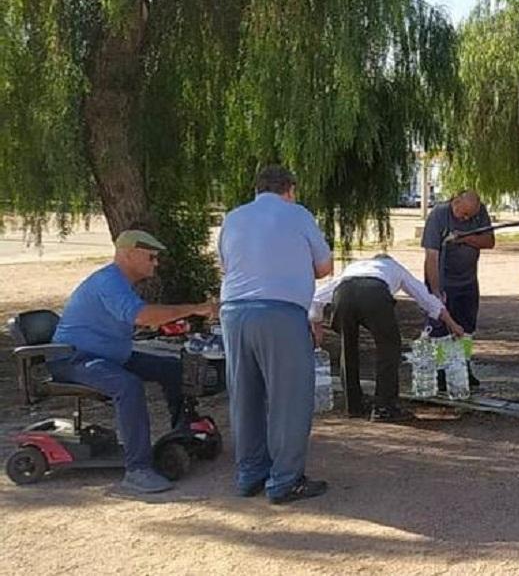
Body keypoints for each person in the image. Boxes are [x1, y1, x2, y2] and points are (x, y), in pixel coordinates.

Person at [49, 230, 214, 494]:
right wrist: (194, 308)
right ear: (128, 254)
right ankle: (138, 470)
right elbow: (143, 316)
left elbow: (138, 320)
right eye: (151, 257)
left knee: (172, 367)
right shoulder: (108, 282)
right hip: (74, 357)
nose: (155, 263)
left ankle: (183, 433)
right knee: (127, 386)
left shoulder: (120, 283)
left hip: (110, 354)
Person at [219, 165, 334, 504]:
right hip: (281, 312)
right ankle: (285, 480)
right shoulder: (297, 214)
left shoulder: (233, 217)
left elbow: (227, 264)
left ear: (257, 189)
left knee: (245, 395)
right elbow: (325, 266)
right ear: (289, 189)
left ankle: (249, 473)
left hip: (234, 311)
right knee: (289, 399)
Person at [309, 254, 466, 422]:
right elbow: (425, 298)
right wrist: (452, 324)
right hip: (375, 293)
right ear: (388, 260)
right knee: (389, 347)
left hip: (344, 294)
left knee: (347, 348)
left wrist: (317, 326)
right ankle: (384, 407)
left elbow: (317, 297)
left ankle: (353, 405)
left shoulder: (355, 267)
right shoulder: (395, 267)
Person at [422, 190, 494, 385]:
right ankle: (441, 371)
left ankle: (463, 366)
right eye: (462, 214)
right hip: (443, 281)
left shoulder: (479, 213)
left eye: (469, 216)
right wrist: (436, 292)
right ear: (455, 202)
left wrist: (465, 238)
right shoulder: (439, 215)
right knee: (440, 327)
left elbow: (489, 241)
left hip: (468, 280)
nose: (466, 218)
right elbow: (431, 257)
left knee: (467, 326)